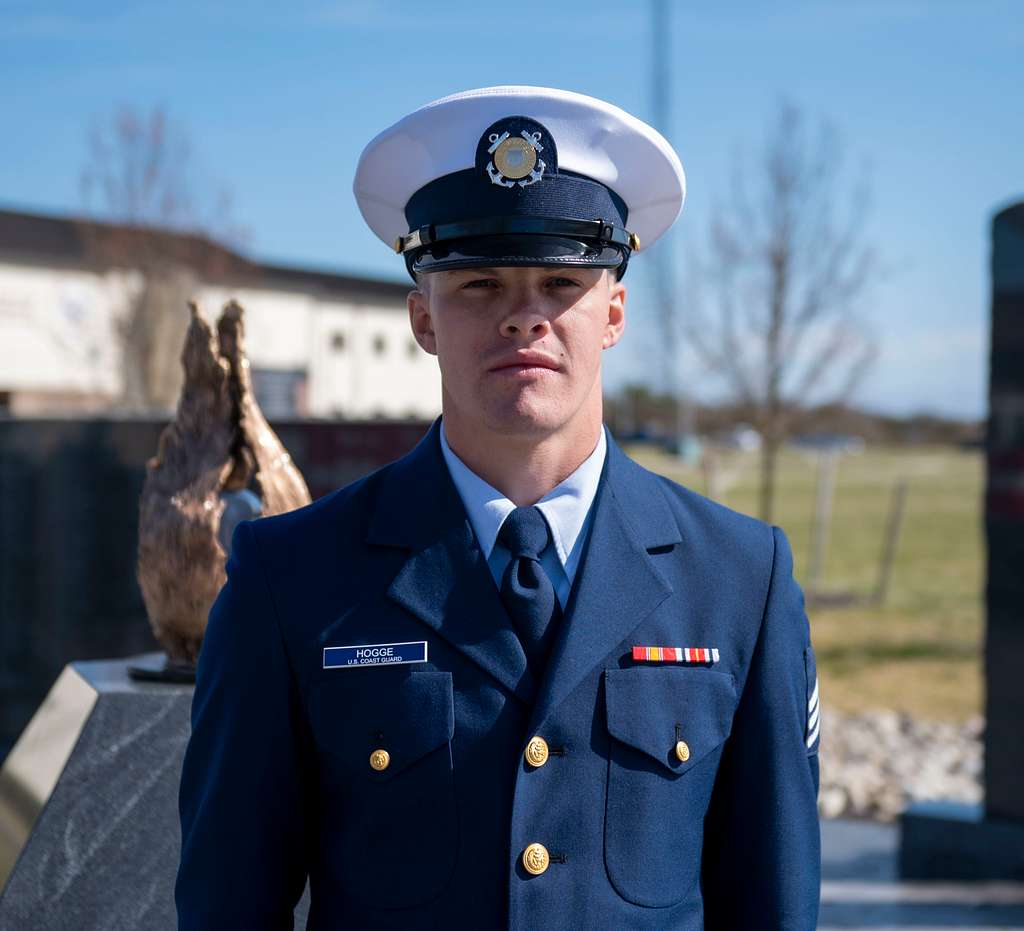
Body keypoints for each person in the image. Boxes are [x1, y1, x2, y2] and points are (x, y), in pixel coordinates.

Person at [175, 85, 821, 930]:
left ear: (614, 312)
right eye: (478, 283)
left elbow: (773, 899)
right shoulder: (290, 577)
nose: (524, 318)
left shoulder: (741, 577)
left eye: (560, 281)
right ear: (423, 317)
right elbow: (230, 900)